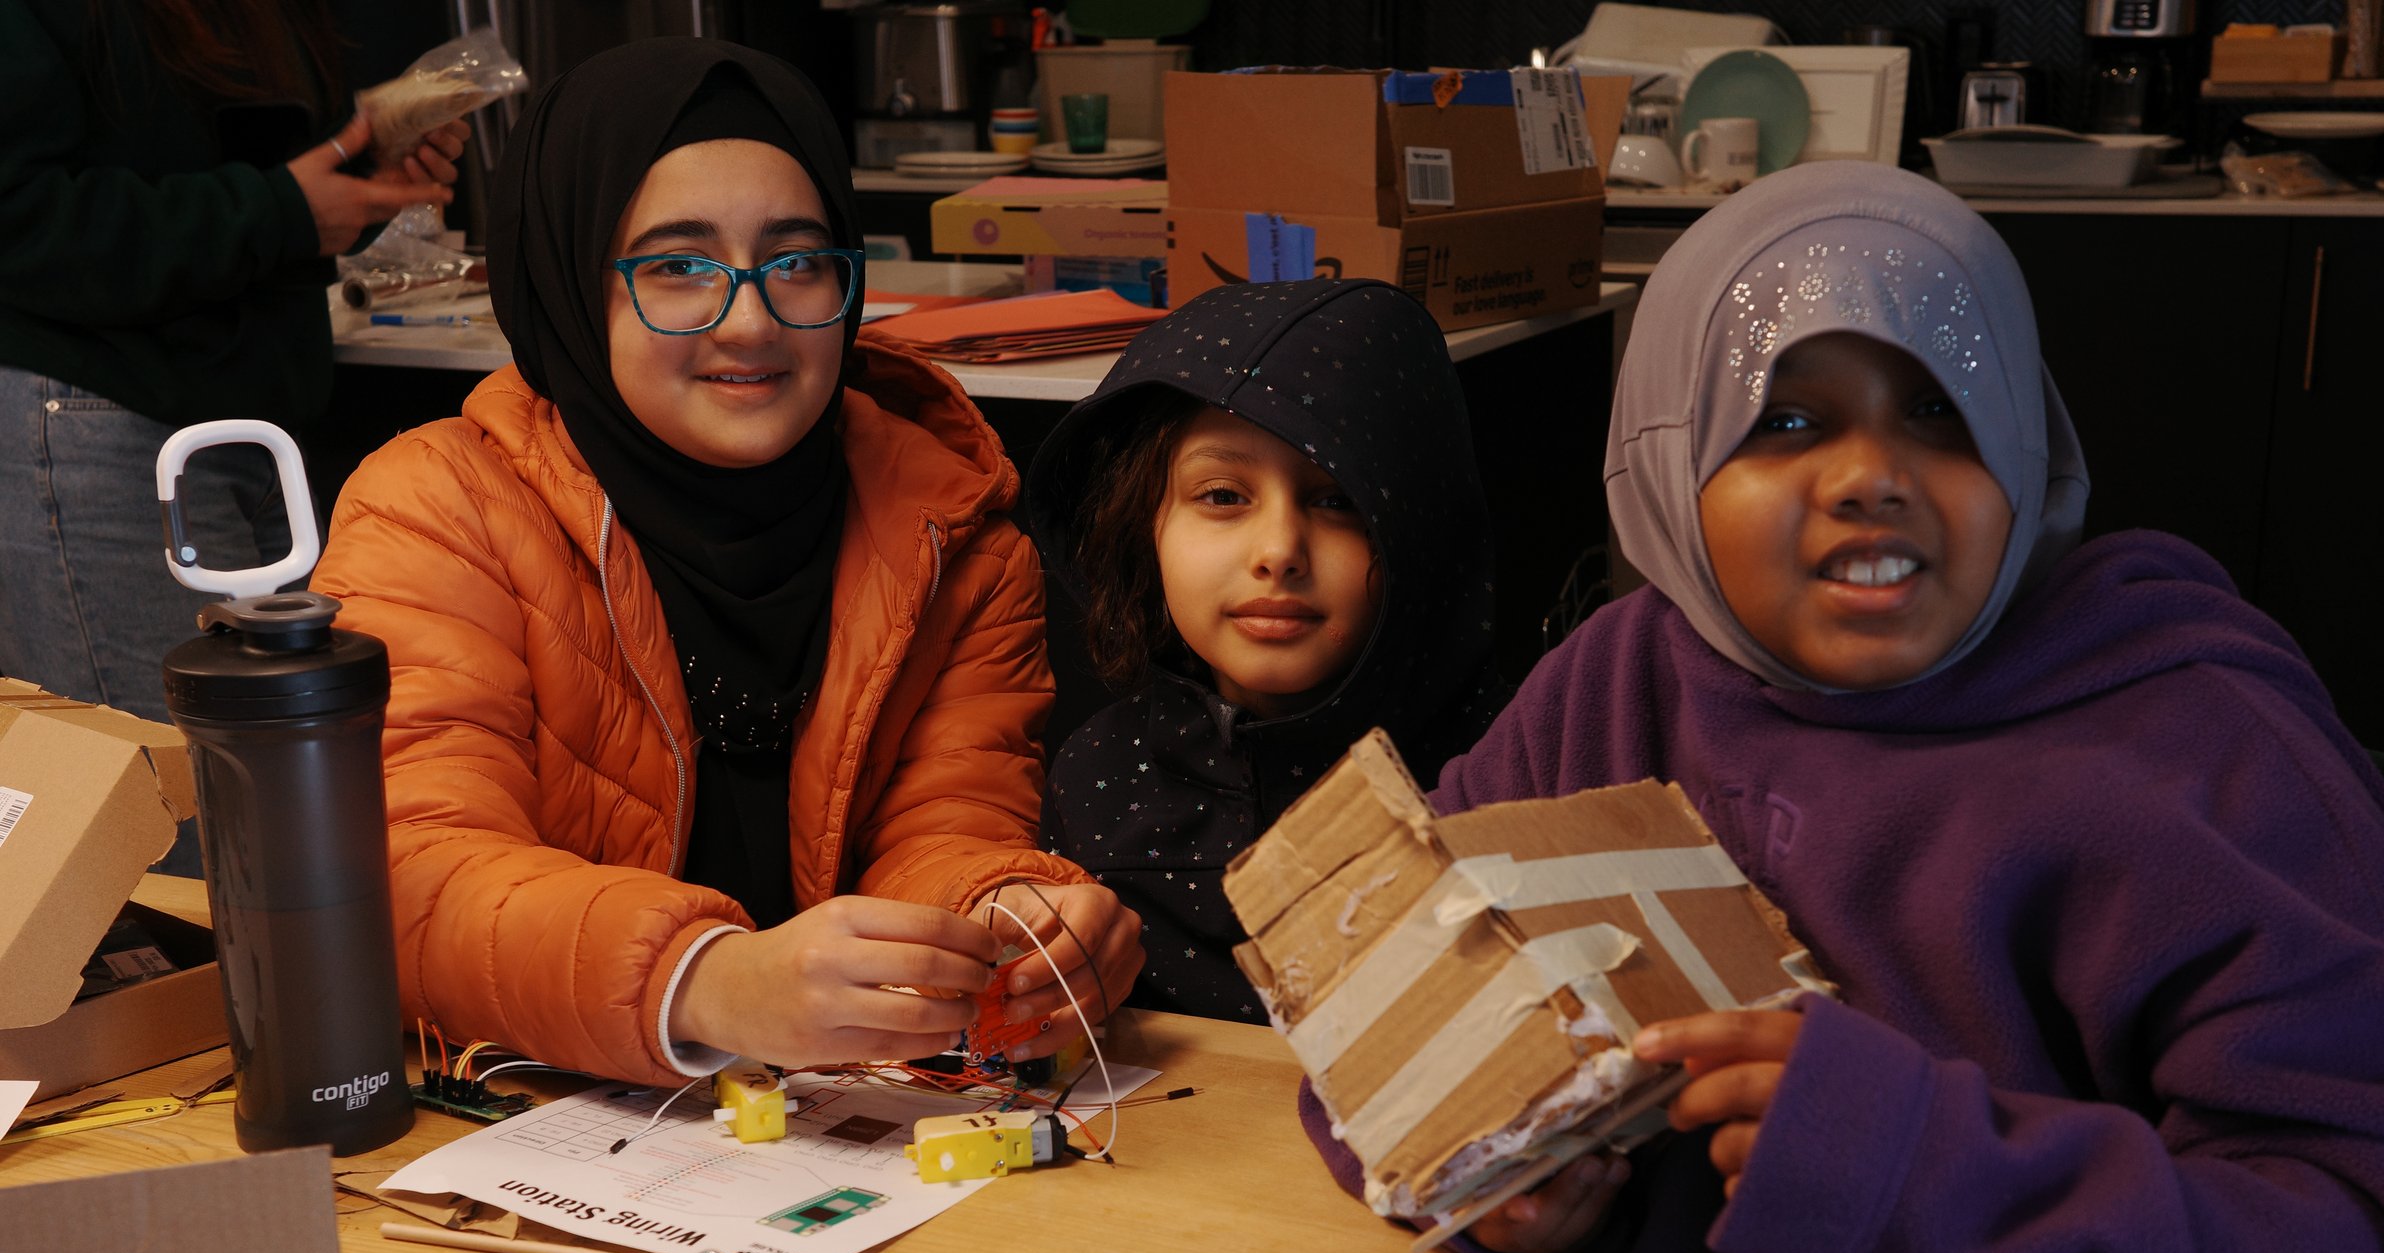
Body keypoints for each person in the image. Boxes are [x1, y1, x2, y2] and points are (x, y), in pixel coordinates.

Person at [1306, 163, 2384, 1253]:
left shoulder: (2198, 746)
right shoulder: (1609, 688)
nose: (1871, 474)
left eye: (1939, 410)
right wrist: (1513, 1202)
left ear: (2024, 438)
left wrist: (1924, 1168)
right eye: (1786, 419)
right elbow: (1376, 1036)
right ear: (1669, 453)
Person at [316, 40, 1139, 1087]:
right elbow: (408, 873)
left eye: (797, 262)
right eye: (677, 265)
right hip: (536, 1120)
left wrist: (1003, 917)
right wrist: (701, 981)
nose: (751, 320)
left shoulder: (953, 529)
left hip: (829, 1134)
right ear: (569, 280)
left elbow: (946, 824)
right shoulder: (437, 508)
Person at [1024, 279, 1508, 1021]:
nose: (1278, 551)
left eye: (1337, 499)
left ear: (1419, 528)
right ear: (1140, 525)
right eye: (1223, 496)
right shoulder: (1100, 777)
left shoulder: (1508, 771)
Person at [0, 0, 466, 722]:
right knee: (167, 774)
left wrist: (360, 173)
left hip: (254, 420)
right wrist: (277, 211)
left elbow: (214, 150)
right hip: (108, 413)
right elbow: (20, 218)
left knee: (286, 760)